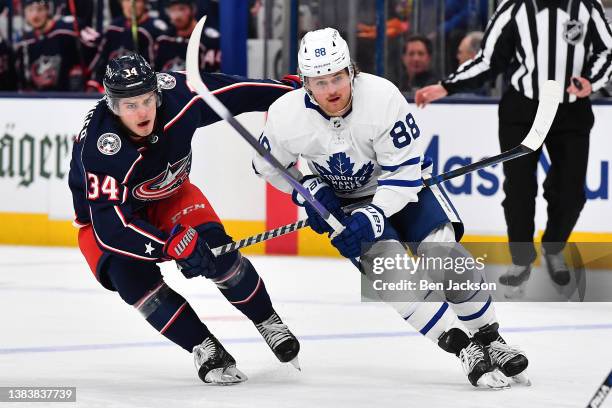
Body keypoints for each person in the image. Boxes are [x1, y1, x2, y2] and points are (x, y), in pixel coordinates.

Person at [253, 27, 529, 389]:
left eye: (337, 77)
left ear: (351, 71)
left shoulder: (382, 97)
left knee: (442, 255)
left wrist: (374, 212)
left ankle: (491, 338)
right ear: (305, 83)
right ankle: (464, 347)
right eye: (320, 82)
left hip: (405, 188)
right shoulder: (286, 116)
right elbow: (266, 166)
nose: (331, 90)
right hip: (346, 207)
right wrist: (310, 190)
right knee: (392, 275)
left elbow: (403, 170)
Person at [68, 53, 302, 384]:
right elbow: (111, 228)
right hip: (105, 224)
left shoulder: (178, 97)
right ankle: (204, 346)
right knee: (130, 279)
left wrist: (287, 91)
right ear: (112, 105)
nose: (143, 112)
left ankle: (267, 319)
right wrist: (169, 246)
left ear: (157, 93)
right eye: (130, 105)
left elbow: (233, 92)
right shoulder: (100, 148)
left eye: (147, 100)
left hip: (171, 195)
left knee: (217, 252)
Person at [415, 0, 612, 290]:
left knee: (571, 191)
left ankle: (554, 247)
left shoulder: (586, 6)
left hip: (571, 110)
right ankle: (521, 258)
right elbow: (489, 59)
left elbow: (608, 50)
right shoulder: (514, 8)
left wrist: (591, 81)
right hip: (522, 110)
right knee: (519, 187)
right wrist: (447, 85)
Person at [14, 0, 98, 91]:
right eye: (30, 10)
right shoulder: (24, 43)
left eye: (40, 9)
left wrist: (91, 79)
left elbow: (98, 49)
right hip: (39, 100)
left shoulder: (69, 28)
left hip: (71, 98)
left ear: (48, 10)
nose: (35, 15)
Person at [86, 0, 167, 92]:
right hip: (110, 89)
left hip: (141, 90)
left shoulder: (154, 30)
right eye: (126, 1)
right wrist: (94, 82)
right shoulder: (114, 27)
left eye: (136, 1)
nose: (130, 6)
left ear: (145, 4)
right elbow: (101, 59)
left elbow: (156, 67)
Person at [154, 0, 220, 72]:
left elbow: (213, 78)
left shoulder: (210, 39)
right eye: (172, 10)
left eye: (182, 9)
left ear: (193, 10)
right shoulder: (163, 39)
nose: (177, 16)